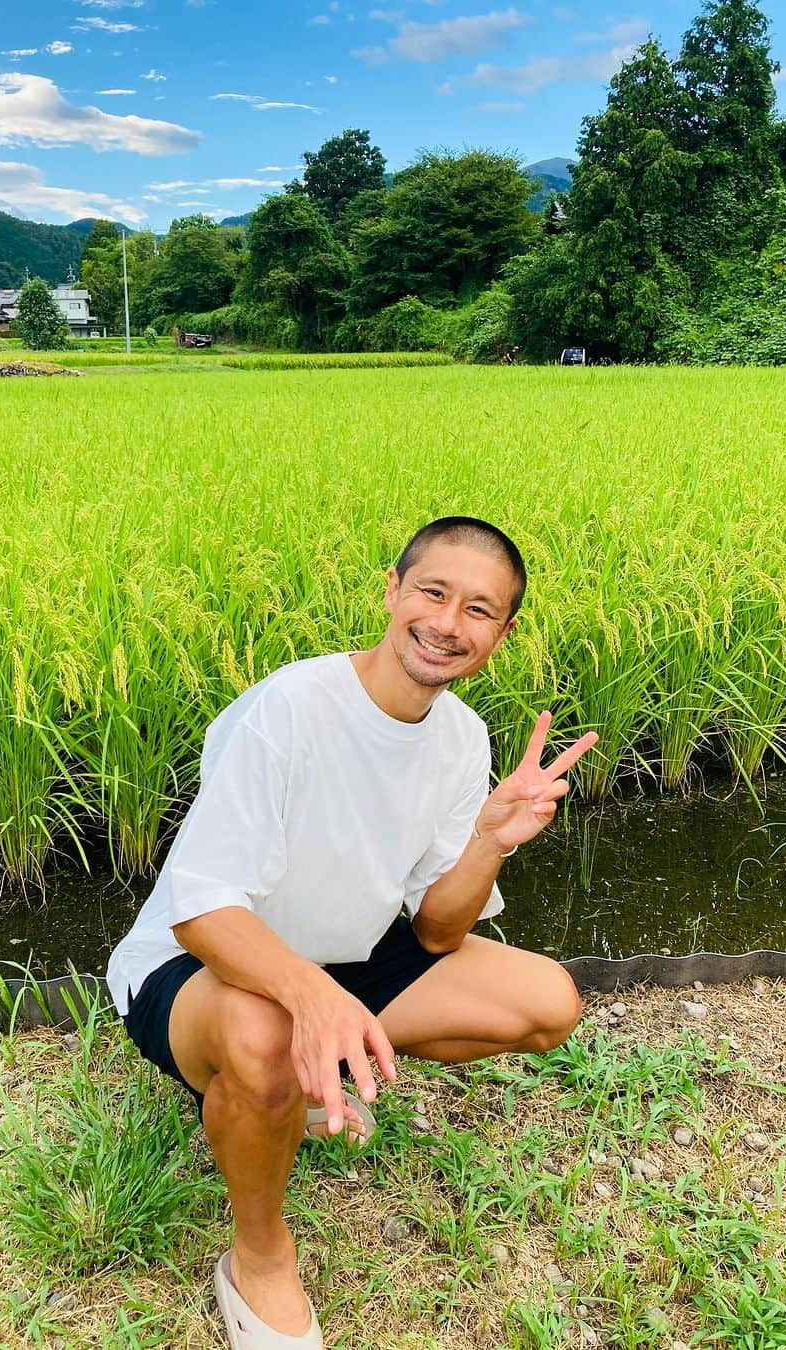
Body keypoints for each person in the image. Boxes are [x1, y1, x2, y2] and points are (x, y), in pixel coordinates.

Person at [106, 516, 598, 1348]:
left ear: (502, 635)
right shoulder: (292, 705)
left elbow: (438, 933)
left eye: (479, 610)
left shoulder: (462, 738)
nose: (448, 624)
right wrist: (312, 1000)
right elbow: (200, 908)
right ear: (393, 592)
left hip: (346, 957)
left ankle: (301, 1073)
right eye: (433, 593)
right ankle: (259, 1255)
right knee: (265, 1032)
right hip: (195, 969)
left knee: (548, 1002)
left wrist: (487, 841)